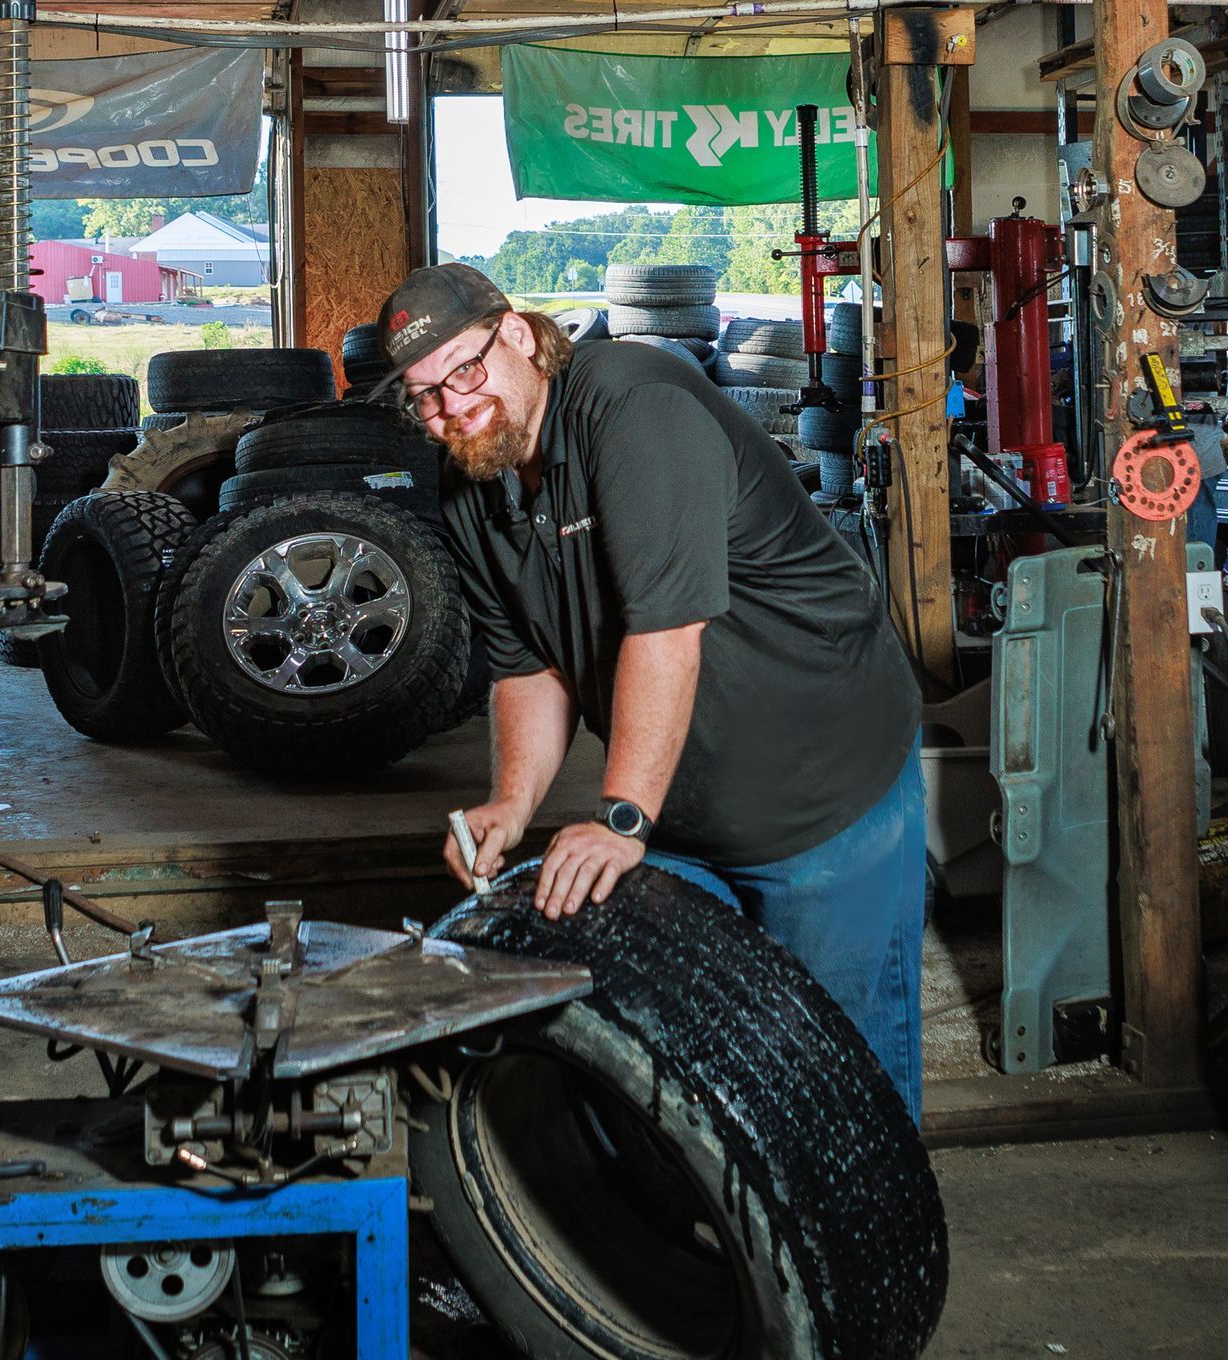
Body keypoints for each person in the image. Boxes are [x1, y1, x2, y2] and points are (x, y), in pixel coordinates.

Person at [371, 263, 927, 1115]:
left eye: (465, 370)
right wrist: (510, 805)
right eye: (424, 397)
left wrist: (621, 817)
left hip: (821, 791)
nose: (450, 406)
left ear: (518, 334)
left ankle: (881, 1249)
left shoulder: (636, 408)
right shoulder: (471, 485)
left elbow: (665, 633)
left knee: (840, 1088)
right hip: (678, 813)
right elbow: (528, 667)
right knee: (681, 1077)